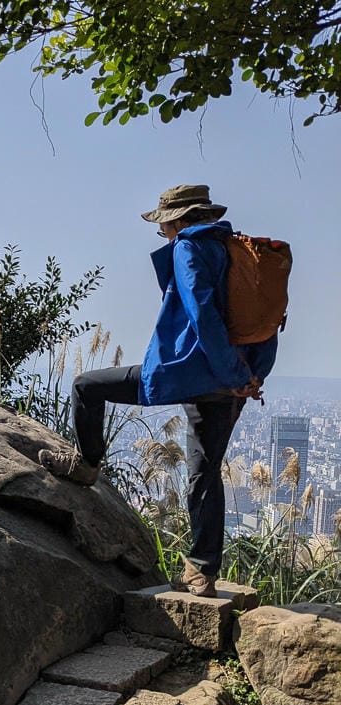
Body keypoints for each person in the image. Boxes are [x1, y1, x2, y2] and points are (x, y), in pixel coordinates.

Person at [38, 184, 278, 597]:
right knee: (204, 475)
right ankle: (202, 572)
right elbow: (267, 318)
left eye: (164, 224)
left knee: (86, 386)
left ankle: (86, 465)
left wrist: (232, 374)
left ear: (178, 220)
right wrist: (250, 374)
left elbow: (203, 315)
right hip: (230, 381)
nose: (164, 232)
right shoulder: (238, 249)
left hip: (192, 372)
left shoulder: (189, 248)